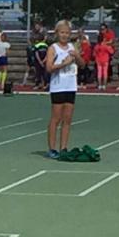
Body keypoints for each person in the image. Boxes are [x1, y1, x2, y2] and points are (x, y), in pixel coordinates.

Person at [45, 19, 84, 159]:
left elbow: (82, 64)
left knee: (67, 119)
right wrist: (63, 64)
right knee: (56, 118)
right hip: (58, 87)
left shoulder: (72, 47)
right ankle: (52, 148)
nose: (65, 35)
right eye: (62, 32)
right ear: (57, 33)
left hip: (71, 86)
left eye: (67, 33)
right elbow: (49, 68)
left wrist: (77, 56)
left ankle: (64, 148)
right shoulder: (53, 48)